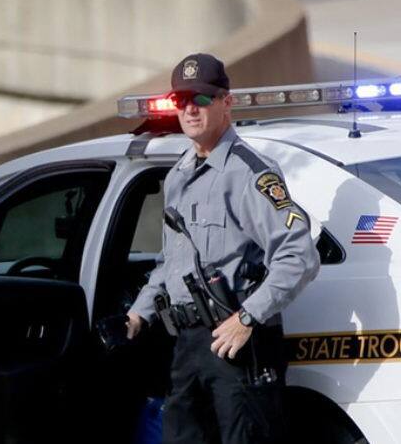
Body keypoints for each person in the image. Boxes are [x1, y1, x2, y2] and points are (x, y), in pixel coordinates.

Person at [126, 52, 321, 444]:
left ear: (226, 102)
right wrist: (139, 312)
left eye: (201, 99)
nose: (190, 109)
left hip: (239, 345)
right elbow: (173, 261)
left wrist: (247, 318)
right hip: (188, 345)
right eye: (181, 100)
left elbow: (299, 256)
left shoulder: (250, 173)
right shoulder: (178, 176)